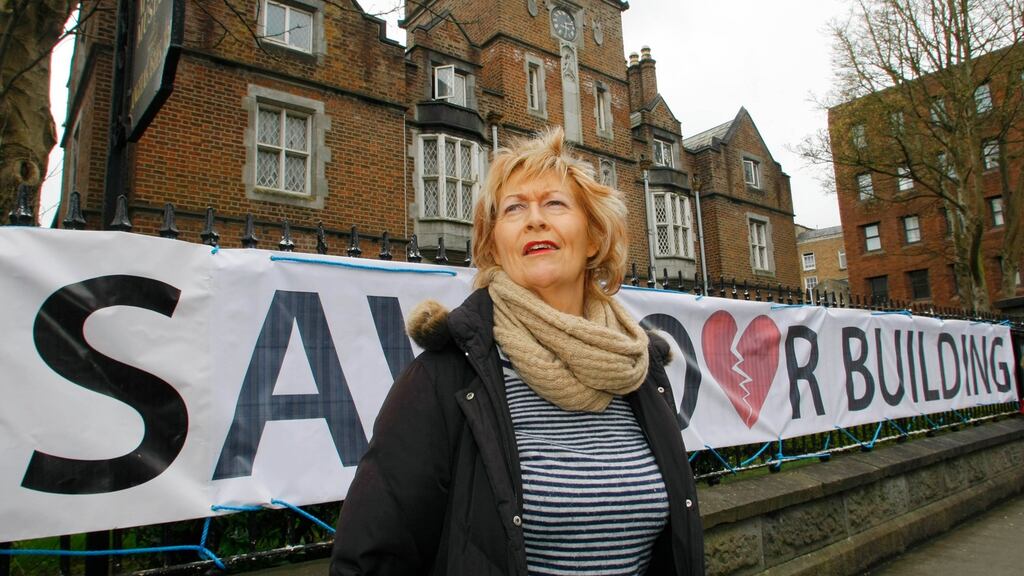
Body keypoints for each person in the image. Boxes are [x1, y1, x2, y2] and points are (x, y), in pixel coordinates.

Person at [330, 128, 704, 575]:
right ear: (495, 247)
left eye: (554, 203)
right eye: (514, 208)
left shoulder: (639, 369)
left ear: (593, 239)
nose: (534, 219)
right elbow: (371, 557)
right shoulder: (446, 376)